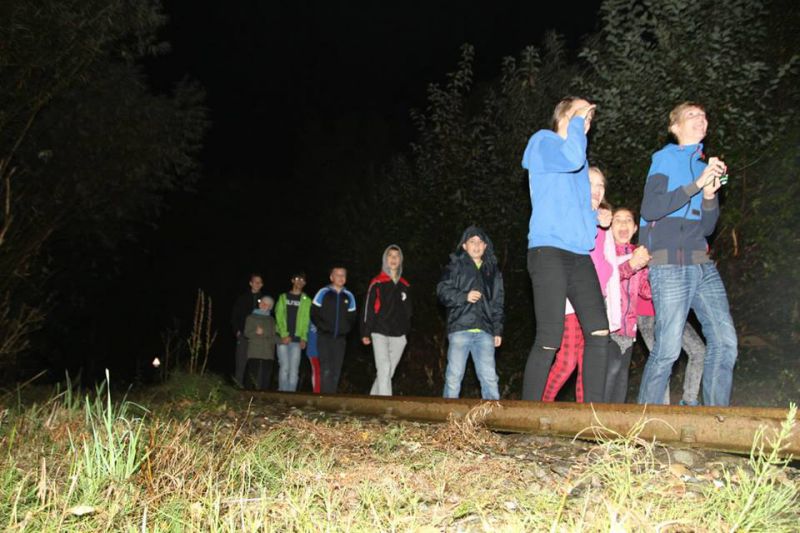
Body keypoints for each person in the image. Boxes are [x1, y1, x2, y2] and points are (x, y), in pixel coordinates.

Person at [637, 102, 737, 406]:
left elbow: (707, 228)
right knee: (667, 349)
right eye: (693, 115)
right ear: (675, 126)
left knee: (725, 342)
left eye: (704, 116)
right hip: (668, 261)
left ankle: (716, 421)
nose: (701, 120)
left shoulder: (704, 164)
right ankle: (643, 425)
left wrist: (709, 195)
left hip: (700, 261)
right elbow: (651, 208)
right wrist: (697, 184)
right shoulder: (665, 158)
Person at [521, 97, 610, 403]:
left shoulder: (580, 160)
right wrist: (575, 125)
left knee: (599, 332)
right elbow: (570, 159)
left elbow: (581, 209)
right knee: (549, 338)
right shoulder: (542, 142)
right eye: (582, 113)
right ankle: (527, 416)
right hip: (548, 250)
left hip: (578, 255)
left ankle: (594, 418)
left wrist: (594, 218)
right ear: (564, 115)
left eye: (589, 117)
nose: (587, 120)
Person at [541, 168, 614, 402]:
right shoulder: (569, 217)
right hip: (571, 302)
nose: (596, 190)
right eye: (590, 183)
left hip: (596, 302)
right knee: (567, 360)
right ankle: (538, 407)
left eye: (601, 185)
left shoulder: (605, 225)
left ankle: (586, 418)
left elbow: (609, 265)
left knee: (589, 363)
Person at [437, 226, 504, 400]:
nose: (476, 245)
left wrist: (497, 330)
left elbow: (497, 302)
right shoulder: (455, 266)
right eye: (472, 241)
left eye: (480, 242)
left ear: (485, 246)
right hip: (460, 328)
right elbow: (442, 291)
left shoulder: (492, 271)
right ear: (464, 246)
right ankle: (448, 421)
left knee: (489, 378)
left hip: (485, 331)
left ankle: (491, 421)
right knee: (454, 376)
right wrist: (464, 296)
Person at [602, 207, 652, 403]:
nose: (623, 224)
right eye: (617, 220)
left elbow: (645, 291)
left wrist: (659, 273)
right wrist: (632, 264)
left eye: (628, 220)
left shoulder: (639, 253)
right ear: (610, 227)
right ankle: (597, 420)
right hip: (608, 324)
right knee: (611, 366)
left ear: (635, 228)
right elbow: (609, 278)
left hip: (629, 326)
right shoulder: (605, 251)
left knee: (622, 374)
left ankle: (614, 426)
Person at [362, 245, 412, 396]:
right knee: (383, 367)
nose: (393, 259)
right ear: (385, 259)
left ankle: (371, 403)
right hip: (379, 331)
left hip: (399, 335)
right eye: (390, 255)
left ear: (400, 260)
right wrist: (365, 331)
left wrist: (405, 332)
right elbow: (368, 308)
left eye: (397, 256)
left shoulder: (405, 285)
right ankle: (386, 409)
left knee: (388, 372)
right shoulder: (377, 282)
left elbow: (409, 312)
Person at [637, 298, 706, 406]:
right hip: (645, 311)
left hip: (671, 309)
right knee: (663, 361)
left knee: (698, 350)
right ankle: (664, 409)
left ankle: (689, 400)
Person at [311, 266, 357, 393]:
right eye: (337, 275)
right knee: (325, 369)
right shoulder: (323, 292)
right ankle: (325, 399)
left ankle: (332, 399)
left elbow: (352, 317)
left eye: (343, 275)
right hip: (324, 337)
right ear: (331, 277)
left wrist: (346, 329)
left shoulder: (349, 296)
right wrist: (322, 327)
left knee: (336, 370)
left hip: (340, 339)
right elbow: (314, 313)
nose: (340, 277)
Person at [274, 272, 312, 392]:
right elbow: (279, 316)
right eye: (297, 279)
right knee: (284, 367)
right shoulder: (283, 297)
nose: (299, 281)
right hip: (283, 339)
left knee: (294, 370)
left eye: (302, 280)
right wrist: (284, 335)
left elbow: (307, 320)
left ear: (304, 283)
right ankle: (282, 394)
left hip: (297, 340)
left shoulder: (307, 300)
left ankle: (291, 396)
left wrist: (304, 338)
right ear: (292, 280)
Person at [230, 273, 264, 387]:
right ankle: (237, 390)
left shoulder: (264, 301)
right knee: (240, 364)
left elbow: (269, 318)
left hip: (257, 339)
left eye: (259, 282)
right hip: (243, 336)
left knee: (255, 366)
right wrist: (237, 331)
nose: (257, 284)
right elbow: (235, 316)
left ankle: (253, 392)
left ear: (262, 284)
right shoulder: (242, 298)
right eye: (255, 282)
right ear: (250, 283)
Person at [243, 295, 277, 390]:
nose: (264, 305)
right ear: (259, 303)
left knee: (266, 376)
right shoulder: (250, 317)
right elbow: (246, 333)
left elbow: (273, 335)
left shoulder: (271, 320)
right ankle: (247, 395)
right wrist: (255, 332)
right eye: (262, 302)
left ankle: (264, 397)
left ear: (270, 307)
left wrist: (282, 340)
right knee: (251, 375)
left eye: (267, 304)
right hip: (254, 350)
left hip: (268, 351)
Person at [306, 322, 321, 393]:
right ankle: (316, 392)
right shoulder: (310, 318)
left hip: (323, 351)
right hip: (313, 350)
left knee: (320, 372)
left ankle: (319, 391)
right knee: (316, 371)